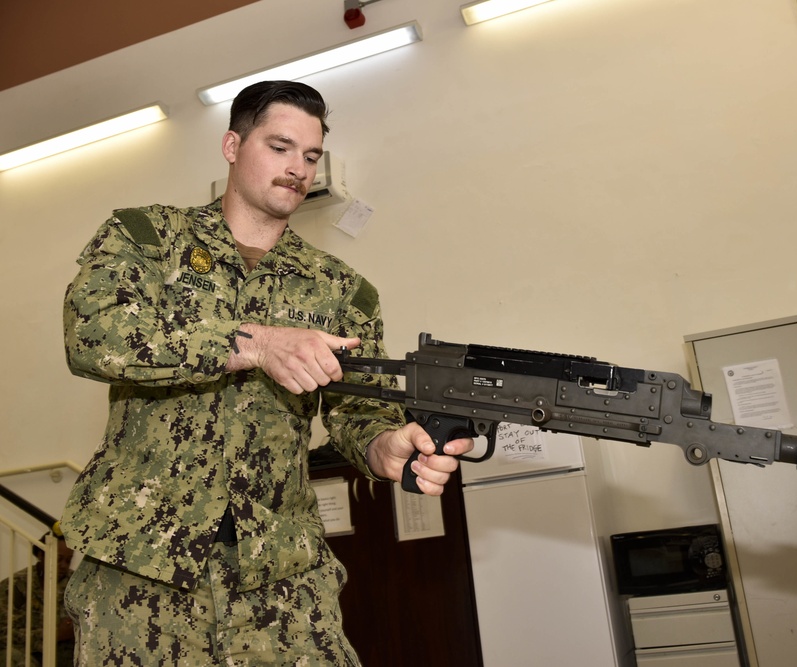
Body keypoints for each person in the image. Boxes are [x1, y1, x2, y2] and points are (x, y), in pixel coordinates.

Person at [60, 80, 473, 665]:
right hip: (141, 565)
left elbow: (359, 411)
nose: (297, 169)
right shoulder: (149, 239)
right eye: (280, 147)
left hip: (281, 570)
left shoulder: (343, 290)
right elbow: (93, 336)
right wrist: (254, 343)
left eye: (310, 156)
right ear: (232, 145)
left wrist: (385, 447)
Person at [0, 530, 76, 666]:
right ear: (42, 554)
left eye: (68, 561)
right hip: (27, 657)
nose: (64, 565)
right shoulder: (15, 586)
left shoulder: (77, 586)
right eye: (58, 559)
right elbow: (5, 635)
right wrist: (54, 635)